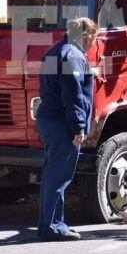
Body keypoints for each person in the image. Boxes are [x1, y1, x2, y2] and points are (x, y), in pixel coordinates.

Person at [36, 17, 97, 241]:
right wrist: (79, 127)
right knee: (59, 177)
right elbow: (73, 96)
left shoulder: (54, 52)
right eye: (93, 39)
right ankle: (52, 226)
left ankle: (51, 223)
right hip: (63, 125)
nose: (93, 45)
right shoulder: (73, 57)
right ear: (86, 36)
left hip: (49, 121)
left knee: (52, 176)